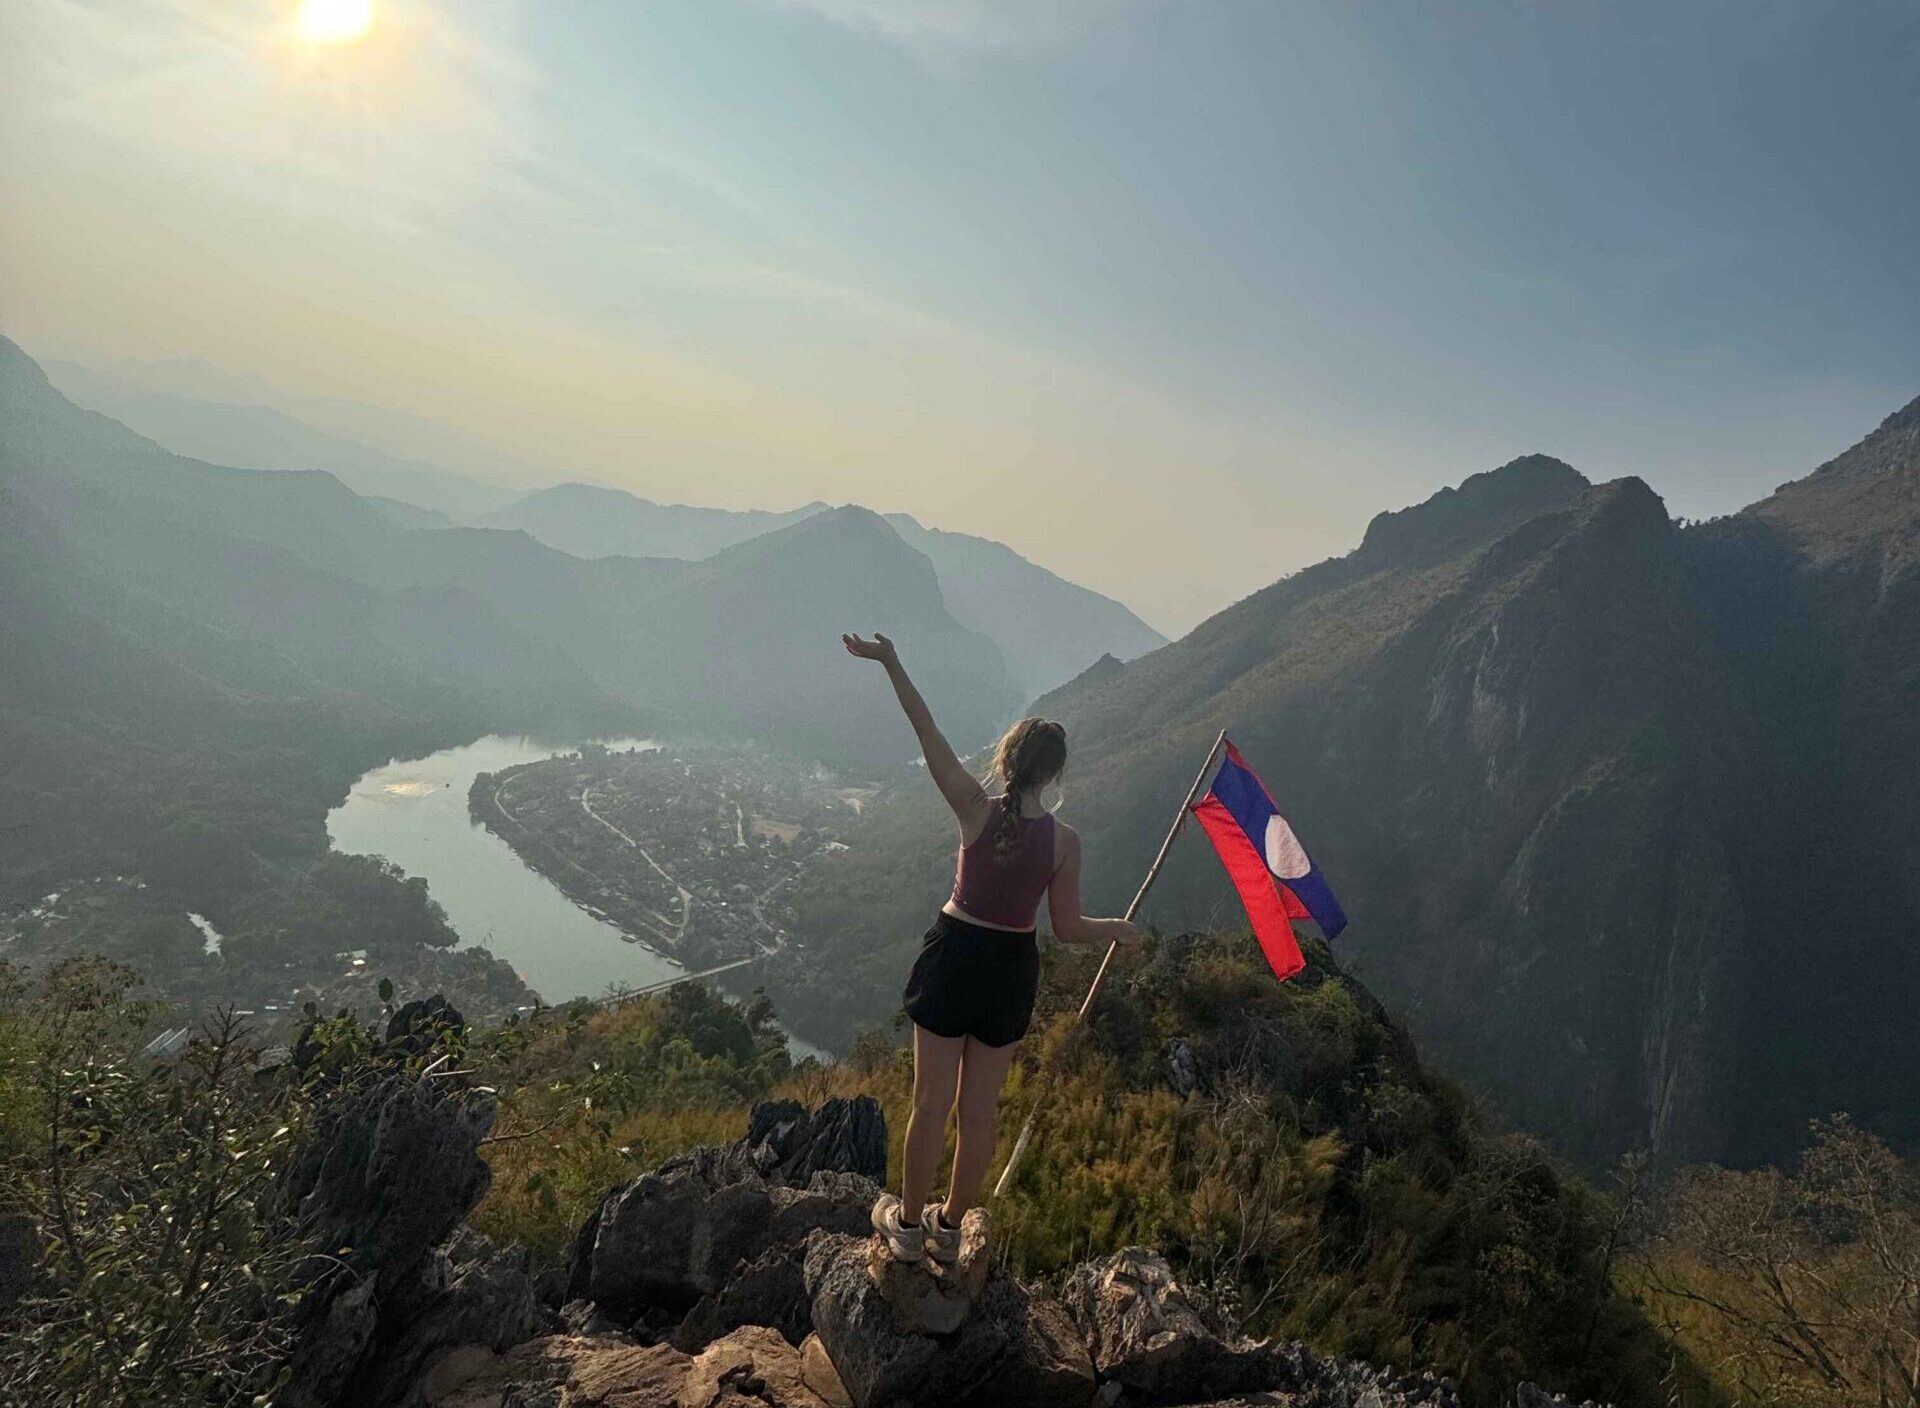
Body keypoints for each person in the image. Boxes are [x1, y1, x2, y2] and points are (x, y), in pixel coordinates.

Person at [841, 631, 1140, 1264]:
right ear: (1054, 773)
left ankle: (908, 1226)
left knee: (929, 1103)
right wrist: (1113, 926)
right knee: (979, 1114)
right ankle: (950, 1234)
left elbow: (928, 735)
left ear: (1007, 759)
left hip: (954, 958)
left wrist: (893, 661)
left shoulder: (976, 809)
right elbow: (1065, 929)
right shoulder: (1064, 842)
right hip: (1011, 970)